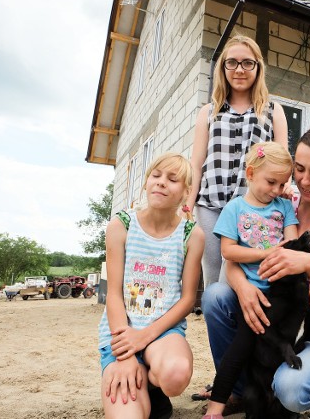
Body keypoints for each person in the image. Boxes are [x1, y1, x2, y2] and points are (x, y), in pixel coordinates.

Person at [201, 128, 310, 419]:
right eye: (299, 169)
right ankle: (240, 390)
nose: (304, 180)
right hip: (278, 318)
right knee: (215, 296)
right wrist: (243, 288)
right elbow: (234, 256)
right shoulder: (279, 200)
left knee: (290, 390)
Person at [98, 152, 205, 419]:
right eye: (155, 176)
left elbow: (188, 299)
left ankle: (155, 387)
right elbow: (113, 294)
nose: (161, 183)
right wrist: (124, 355)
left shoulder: (192, 234)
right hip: (122, 333)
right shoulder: (121, 225)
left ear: (185, 191)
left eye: (172, 179)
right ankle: (143, 388)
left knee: (175, 375)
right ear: (146, 183)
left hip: (163, 333)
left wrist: (144, 338)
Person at [202, 141, 298, 418]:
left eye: (282, 184)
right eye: (271, 182)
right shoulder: (234, 208)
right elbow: (228, 251)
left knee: (280, 350)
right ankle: (216, 408)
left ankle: (280, 398)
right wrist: (266, 252)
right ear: (251, 172)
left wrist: (287, 198)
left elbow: (291, 245)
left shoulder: (283, 207)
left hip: (281, 295)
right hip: (254, 294)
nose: (276, 190)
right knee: (239, 349)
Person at [187, 34, 289, 290]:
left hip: (252, 206)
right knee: (212, 275)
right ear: (223, 68)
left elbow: (282, 158)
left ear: (257, 67)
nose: (239, 69)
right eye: (231, 63)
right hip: (210, 203)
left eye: (247, 63)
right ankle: (218, 329)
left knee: (238, 274)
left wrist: (287, 188)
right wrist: (187, 203)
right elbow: (197, 161)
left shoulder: (272, 110)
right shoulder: (208, 112)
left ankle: (241, 327)